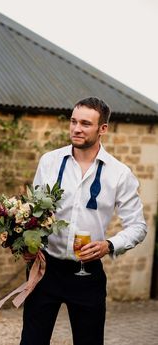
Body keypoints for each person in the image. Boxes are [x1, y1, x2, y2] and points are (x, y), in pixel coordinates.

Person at [19, 97, 147, 345]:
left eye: (86, 123)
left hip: (87, 275)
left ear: (103, 129)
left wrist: (108, 245)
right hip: (45, 270)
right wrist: (28, 244)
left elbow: (138, 226)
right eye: (73, 121)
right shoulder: (49, 161)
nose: (76, 128)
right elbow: (32, 212)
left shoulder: (120, 174)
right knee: (32, 341)